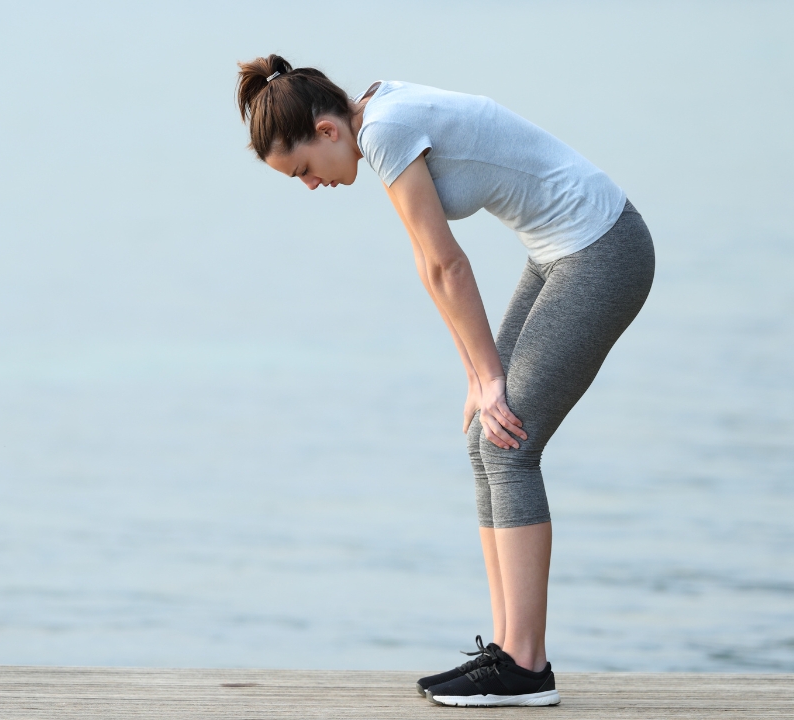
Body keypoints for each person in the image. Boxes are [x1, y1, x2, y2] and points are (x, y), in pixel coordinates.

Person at [235, 54, 654, 708]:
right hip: (558, 254)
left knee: (509, 442)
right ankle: (509, 651)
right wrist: (475, 374)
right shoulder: (375, 117)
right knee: (484, 438)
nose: (311, 187)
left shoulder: (385, 130)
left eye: (304, 172)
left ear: (326, 132)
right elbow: (433, 270)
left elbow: (446, 267)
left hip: (602, 251)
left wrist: (491, 374)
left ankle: (525, 664)